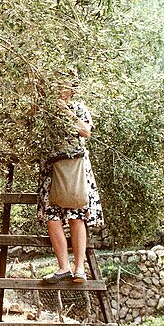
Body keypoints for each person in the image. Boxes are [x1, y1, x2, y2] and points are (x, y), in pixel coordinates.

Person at [38, 80, 104, 284]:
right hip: (52, 168)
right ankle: (63, 267)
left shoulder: (79, 108)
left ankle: (79, 268)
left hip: (75, 168)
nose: (60, 88)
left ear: (72, 89)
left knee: (77, 215)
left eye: (64, 85)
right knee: (52, 216)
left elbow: (85, 132)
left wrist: (66, 112)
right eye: (57, 83)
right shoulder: (45, 110)